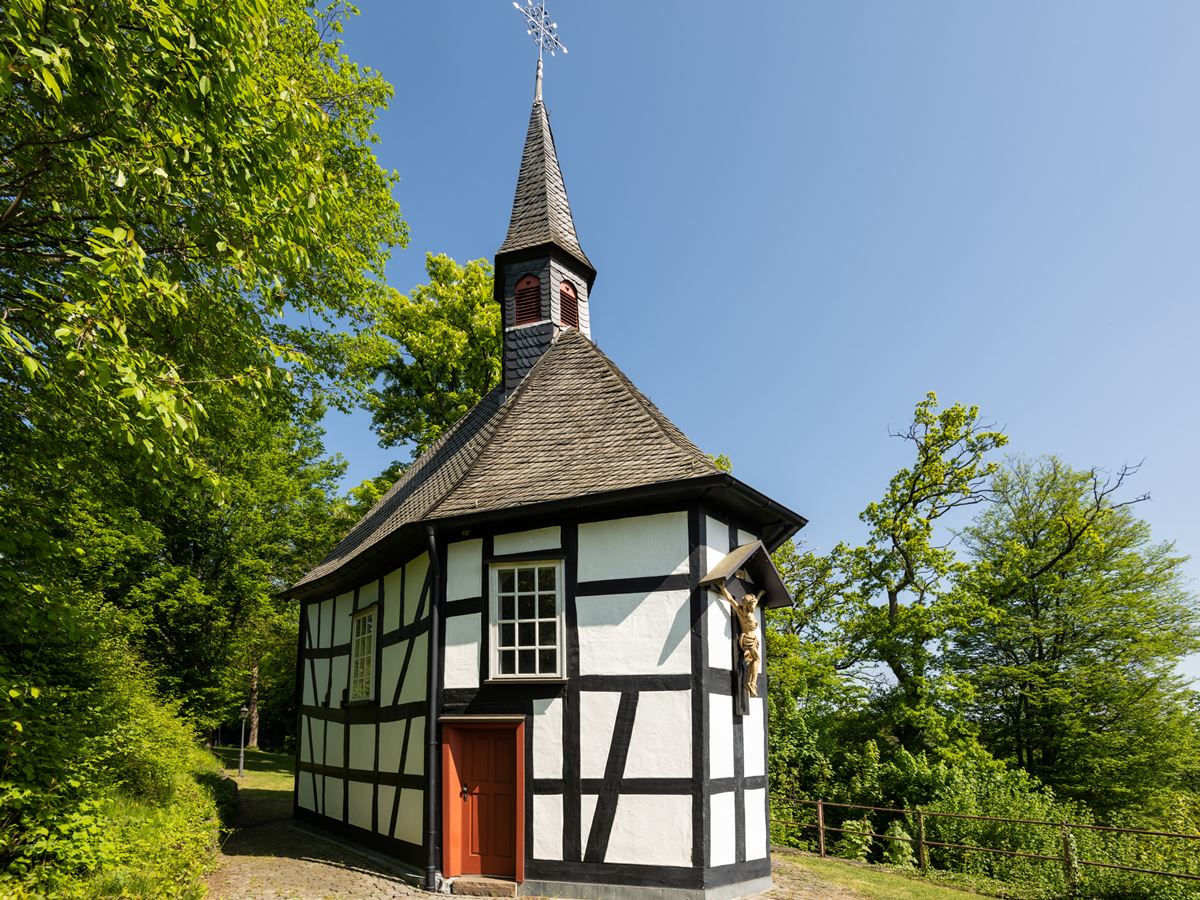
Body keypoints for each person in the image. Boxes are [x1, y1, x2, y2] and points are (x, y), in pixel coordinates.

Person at [713, 581, 763, 697]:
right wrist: (722, 587)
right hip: (747, 640)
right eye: (752, 603)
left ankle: (748, 682)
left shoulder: (750, 610)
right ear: (747, 604)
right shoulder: (742, 613)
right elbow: (730, 600)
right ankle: (752, 684)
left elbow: (755, 603)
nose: (753, 605)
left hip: (754, 640)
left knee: (753, 661)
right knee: (757, 659)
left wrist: (760, 594)